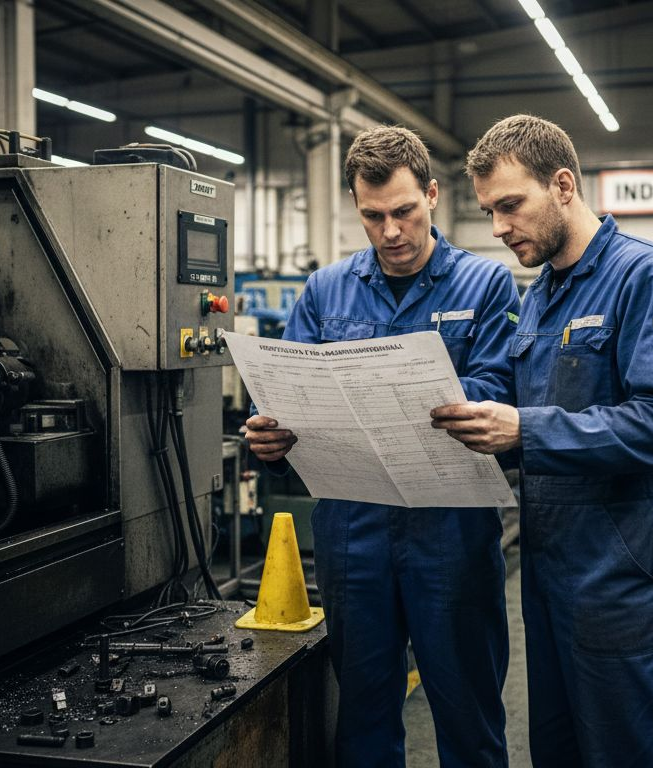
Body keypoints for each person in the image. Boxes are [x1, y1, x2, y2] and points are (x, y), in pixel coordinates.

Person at [431, 114, 653, 767]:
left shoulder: (646, 276)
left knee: (631, 752)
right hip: (550, 571)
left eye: (509, 205)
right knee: (558, 750)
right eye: (489, 211)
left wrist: (524, 429)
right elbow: (521, 401)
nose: (498, 228)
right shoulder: (541, 295)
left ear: (562, 185)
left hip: (625, 575)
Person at [243, 125, 519, 768]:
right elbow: (282, 389)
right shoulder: (325, 290)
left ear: (432, 195)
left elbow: (499, 388)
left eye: (404, 212)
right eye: (373, 216)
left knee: (468, 711)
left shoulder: (487, 284)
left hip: (451, 529)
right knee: (363, 713)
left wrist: (416, 396)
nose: (391, 231)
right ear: (356, 207)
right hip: (353, 530)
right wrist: (268, 430)